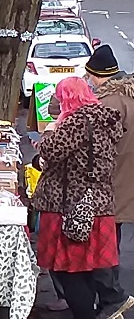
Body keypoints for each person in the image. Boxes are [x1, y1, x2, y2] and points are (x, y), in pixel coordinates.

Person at [32, 77, 124, 319]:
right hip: (97, 204)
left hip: (69, 206)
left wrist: (50, 131)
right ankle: (109, 303)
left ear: (67, 98)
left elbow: (51, 150)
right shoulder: (104, 119)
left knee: (68, 270)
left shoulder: (76, 123)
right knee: (84, 268)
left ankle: (92, 312)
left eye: (60, 98)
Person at [85, 45, 134, 318]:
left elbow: (96, 146)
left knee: (103, 243)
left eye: (90, 75)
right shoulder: (129, 95)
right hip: (127, 177)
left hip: (110, 181)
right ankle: (111, 297)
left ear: (97, 75)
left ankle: (113, 299)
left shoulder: (107, 103)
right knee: (111, 237)